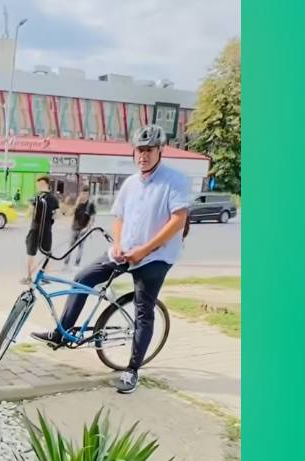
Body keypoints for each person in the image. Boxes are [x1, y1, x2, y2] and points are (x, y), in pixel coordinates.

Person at [30, 125, 191, 394]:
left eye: (149, 150)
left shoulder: (174, 181)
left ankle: (132, 370)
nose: (143, 155)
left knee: (143, 311)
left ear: (160, 150)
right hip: (123, 251)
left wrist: (144, 251)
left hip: (155, 257)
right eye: (140, 150)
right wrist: (117, 245)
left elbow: (178, 220)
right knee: (83, 278)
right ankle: (62, 332)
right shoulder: (131, 183)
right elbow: (119, 218)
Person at [21, 176, 59, 284]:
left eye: (39, 184)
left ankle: (29, 277)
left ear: (45, 184)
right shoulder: (53, 198)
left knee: (31, 253)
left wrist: (26, 215)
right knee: (46, 254)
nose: (38, 186)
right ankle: (44, 277)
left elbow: (31, 210)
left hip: (35, 228)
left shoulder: (37, 196)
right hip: (46, 229)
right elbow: (56, 215)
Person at [63, 186, 96, 268]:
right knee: (70, 246)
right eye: (82, 193)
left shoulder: (90, 205)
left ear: (88, 195)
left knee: (81, 247)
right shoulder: (78, 204)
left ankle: (77, 263)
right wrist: (76, 204)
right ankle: (66, 262)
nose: (84, 195)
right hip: (74, 228)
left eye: (86, 194)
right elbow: (70, 213)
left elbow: (92, 218)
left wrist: (87, 228)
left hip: (83, 230)